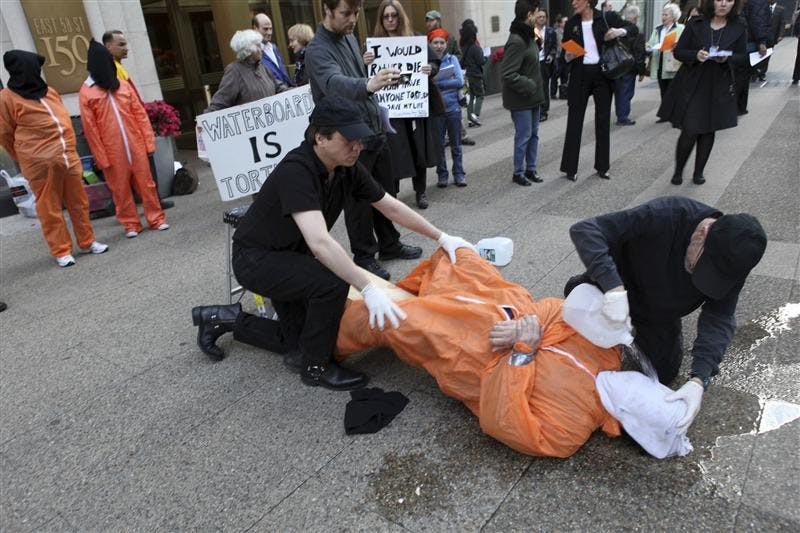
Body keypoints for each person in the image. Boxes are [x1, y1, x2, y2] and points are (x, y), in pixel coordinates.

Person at [190, 96, 474, 391]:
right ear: (320, 137)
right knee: (331, 284)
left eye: (360, 139)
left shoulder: (345, 166)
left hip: (291, 257)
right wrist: (367, 287)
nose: (358, 147)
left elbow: (390, 207)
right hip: (257, 259)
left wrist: (442, 237)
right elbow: (320, 243)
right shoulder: (297, 171)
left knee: (296, 340)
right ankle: (316, 368)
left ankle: (220, 318)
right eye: (349, 140)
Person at [566, 196, 767, 433]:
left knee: (664, 373)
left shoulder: (736, 261)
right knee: (578, 342)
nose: (700, 278)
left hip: (660, 310)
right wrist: (613, 288)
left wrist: (699, 379)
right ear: (703, 232)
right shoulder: (667, 214)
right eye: (702, 267)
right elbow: (586, 230)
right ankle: (583, 287)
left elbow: (719, 318)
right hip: (619, 287)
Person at [305, 0, 422, 281]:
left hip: (372, 128)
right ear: (327, 10)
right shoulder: (317, 49)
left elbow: (358, 79)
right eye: (346, 13)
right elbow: (333, 84)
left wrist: (374, 82)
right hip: (349, 135)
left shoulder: (347, 38)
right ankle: (364, 256)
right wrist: (369, 84)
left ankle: (389, 243)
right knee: (358, 201)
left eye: (356, 13)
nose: (353, 19)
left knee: (384, 192)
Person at [0, 50, 109, 267]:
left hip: (67, 156)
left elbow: (63, 121)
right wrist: (24, 156)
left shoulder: (49, 92)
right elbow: (4, 133)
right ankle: (61, 251)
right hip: (38, 162)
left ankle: (87, 241)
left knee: (79, 202)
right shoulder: (6, 98)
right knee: (49, 207)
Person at [78, 40, 168, 238]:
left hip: (134, 143)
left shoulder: (122, 86)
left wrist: (148, 142)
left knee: (146, 183)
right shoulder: (87, 92)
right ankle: (131, 224)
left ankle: (156, 218)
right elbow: (90, 129)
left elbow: (140, 115)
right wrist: (101, 157)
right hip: (112, 149)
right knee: (119, 189)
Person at [657, 0, 747, 185]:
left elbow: (743, 57)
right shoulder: (696, 23)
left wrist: (726, 58)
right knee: (690, 129)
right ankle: (679, 170)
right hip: (693, 82)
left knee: (708, 130)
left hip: (719, 83)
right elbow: (679, 51)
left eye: (728, 0)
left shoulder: (739, 27)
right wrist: (695, 55)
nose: (723, 4)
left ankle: (699, 172)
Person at [369, 0, 440, 210]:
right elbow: (364, 74)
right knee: (393, 151)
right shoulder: (375, 45)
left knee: (417, 148)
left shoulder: (415, 39)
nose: (390, 20)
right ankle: (393, 193)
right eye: (386, 16)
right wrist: (366, 61)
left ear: (400, 17)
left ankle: (421, 192)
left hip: (414, 106)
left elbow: (435, 62)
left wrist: (430, 69)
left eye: (394, 15)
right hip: (390, 109)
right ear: (381, 19)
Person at [559, 0, 638, 182]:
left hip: (603, 74)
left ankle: (602, 167)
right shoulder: (572, 23)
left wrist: (618, 31)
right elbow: (564, 51)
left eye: (577, 0)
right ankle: (570, 168)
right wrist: (568, 55)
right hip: (580, 74)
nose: (573, 3)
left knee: (602, 120)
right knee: (574, 120)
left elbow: (632, 29)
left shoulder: (606, 17)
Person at [103, 29, 174, 210]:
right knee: (142, 168)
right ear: (107, 46)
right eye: (121, 44)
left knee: (144, 168)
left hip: (134, 125)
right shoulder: (113, 69)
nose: (126, 48)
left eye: (125, 43)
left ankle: (152, 200)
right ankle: (150, 201)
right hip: (130, 128)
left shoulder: (117, 67)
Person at [502, 0, 547, 187]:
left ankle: (531, 169)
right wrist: (528, 84)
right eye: (536, 13)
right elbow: (507, 73)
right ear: (529, 14)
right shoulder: (517, 40)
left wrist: (539, 45)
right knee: (524, 136)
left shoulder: (529, 35)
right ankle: (518, 172)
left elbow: (531, 60)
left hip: (534, 96)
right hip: (521, 98)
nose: (538, 16)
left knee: (534, 134)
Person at [426, 10, 476, 147]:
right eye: (427, 20)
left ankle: (462, 135)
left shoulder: (450, 38)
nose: (428, 23)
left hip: (451, 79)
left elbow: (458, 55)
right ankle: (444, 137)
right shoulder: (425, 40)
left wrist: (452, 66)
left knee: (454, 109)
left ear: (438, 20)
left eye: (431, 20)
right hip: (435, 81)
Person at [205, 30, 287, 112]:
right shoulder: (234, 71)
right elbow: (220, 102)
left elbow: (279, 87)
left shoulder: (263, 67)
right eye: (258, 45)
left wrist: (297, 92)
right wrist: (205, 120)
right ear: (248, 50)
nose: (261, 49)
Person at [430, 29, 466, 188]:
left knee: (456, 144)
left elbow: (459, 81)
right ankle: (442, 175)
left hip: (453, 108)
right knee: (438, 145)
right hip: (436, 109)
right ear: (430, 44)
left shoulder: (452, 59)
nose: (438, 46)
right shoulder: (427, 62)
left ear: (446, 44)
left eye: (441, 42)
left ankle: (459, 174)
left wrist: (439, 84)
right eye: (435, 42)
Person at [737, 0, 772, 114]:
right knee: (743, 75)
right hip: (750, 41)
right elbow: (759, 21)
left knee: (740, 74)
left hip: (745, 40)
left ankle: (738, 106)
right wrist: (762, 41)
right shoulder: (759, 2)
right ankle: (740, 106)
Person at [614, 5, 647, 125]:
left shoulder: (617, 30)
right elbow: (639, 54)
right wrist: (642, 71)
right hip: (629, 67)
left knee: (619, 91)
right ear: (635, 17)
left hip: (616, 66)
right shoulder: (637, 32)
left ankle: (620, 114)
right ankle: (622, 117)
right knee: (627, 92)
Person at [646, 3, 684, 106]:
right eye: (662, 14)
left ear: (673, 16)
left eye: (666, 15)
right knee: (663, 90)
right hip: (659, 62)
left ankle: (673, 113)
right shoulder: (658, 29)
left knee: (673, 91)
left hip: (673, 64)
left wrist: (676, 45)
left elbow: (684, 44)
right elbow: (650, 43)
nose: (663, 17)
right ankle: (665, 113)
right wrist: (649, 47)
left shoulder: (681, 28)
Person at [252, 13, 293, 87]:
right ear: (255, 28)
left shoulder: (273, 47)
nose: (269, 32)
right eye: (265, 29)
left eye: (271, 29)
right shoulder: (253, 53)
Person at [459, 20, 486, 126]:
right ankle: (475, 115)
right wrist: (485, 59)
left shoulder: (462, 48)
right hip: (475, 74)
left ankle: (470, 118)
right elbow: (481, 61)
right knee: (480, 95)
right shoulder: (476, 48)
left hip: (465, 75)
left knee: (470, 97)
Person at [533, 9, 557, 121]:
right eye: (539, 17)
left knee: (544, 87)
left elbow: (554, 47)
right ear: (535, 18)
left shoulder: (551, 31)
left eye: (544, 17)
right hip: (532, 62)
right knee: (533, 87)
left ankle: (544, 111)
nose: (542, 18)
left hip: (544, 63)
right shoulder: (531, 31)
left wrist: (551, 55)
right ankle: (534, 110)